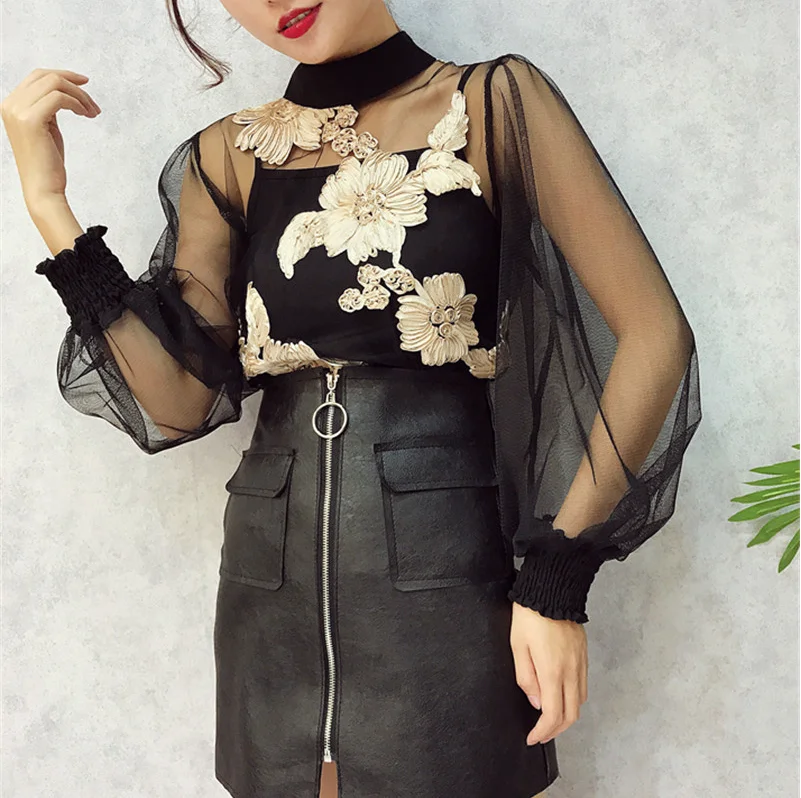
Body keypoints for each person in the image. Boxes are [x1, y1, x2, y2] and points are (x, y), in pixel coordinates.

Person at [1, 1, 701, 796]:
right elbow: (178, 401)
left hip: (446, 576)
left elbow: (652, 336)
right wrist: (50, 207)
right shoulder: (227, 156)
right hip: (270, 586)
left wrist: (555, 582)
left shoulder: (489, 103)